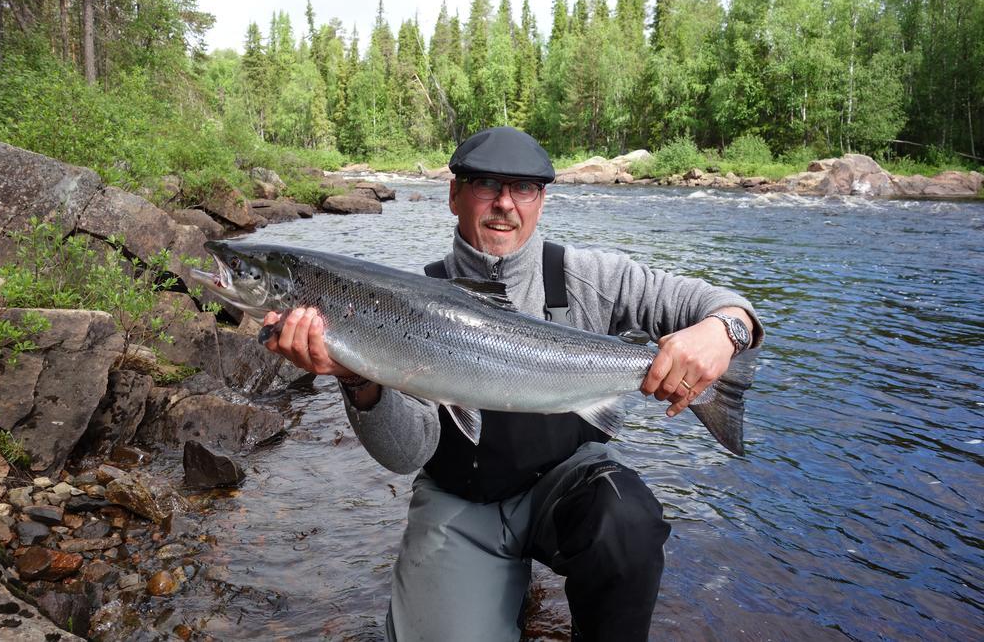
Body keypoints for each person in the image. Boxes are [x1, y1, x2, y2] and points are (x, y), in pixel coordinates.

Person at [263, 126, 763, 641]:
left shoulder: (591, 277)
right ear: (454, 195)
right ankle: (494, 584)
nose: (505, 204)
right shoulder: (405, 303)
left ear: (541, 201)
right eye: (486, 185)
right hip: (462, 500)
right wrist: (355, 378)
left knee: (628, 524)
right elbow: (407, 454)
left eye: (522, 189)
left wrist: (724, 331)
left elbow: (721, 304)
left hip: (566, 490)